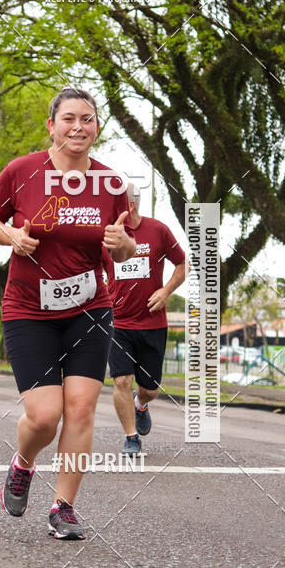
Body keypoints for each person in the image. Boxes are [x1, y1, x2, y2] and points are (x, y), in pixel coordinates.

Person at [0, 86, 135, 540]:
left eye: (87, 119)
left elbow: (124, 248)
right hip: (29, 308)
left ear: (97, 128)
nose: (78, 127)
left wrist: (123, 245)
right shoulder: (23, 171)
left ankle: (63, 507)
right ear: (51, 125)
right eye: (69, 118)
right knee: (45, 416)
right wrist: (12, 238)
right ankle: (22, 464)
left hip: (90, 307)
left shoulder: (111, 184)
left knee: (81, 408)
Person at [102, 183, 187, 455]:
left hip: (152, 323)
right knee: (121, 381)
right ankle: (131, 438)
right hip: (118, 322)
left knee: (149, 389)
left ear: (130, 206)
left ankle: (141, 404)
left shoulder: (158, 230)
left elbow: (182, 263)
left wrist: (165, 291)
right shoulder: (106, 236)